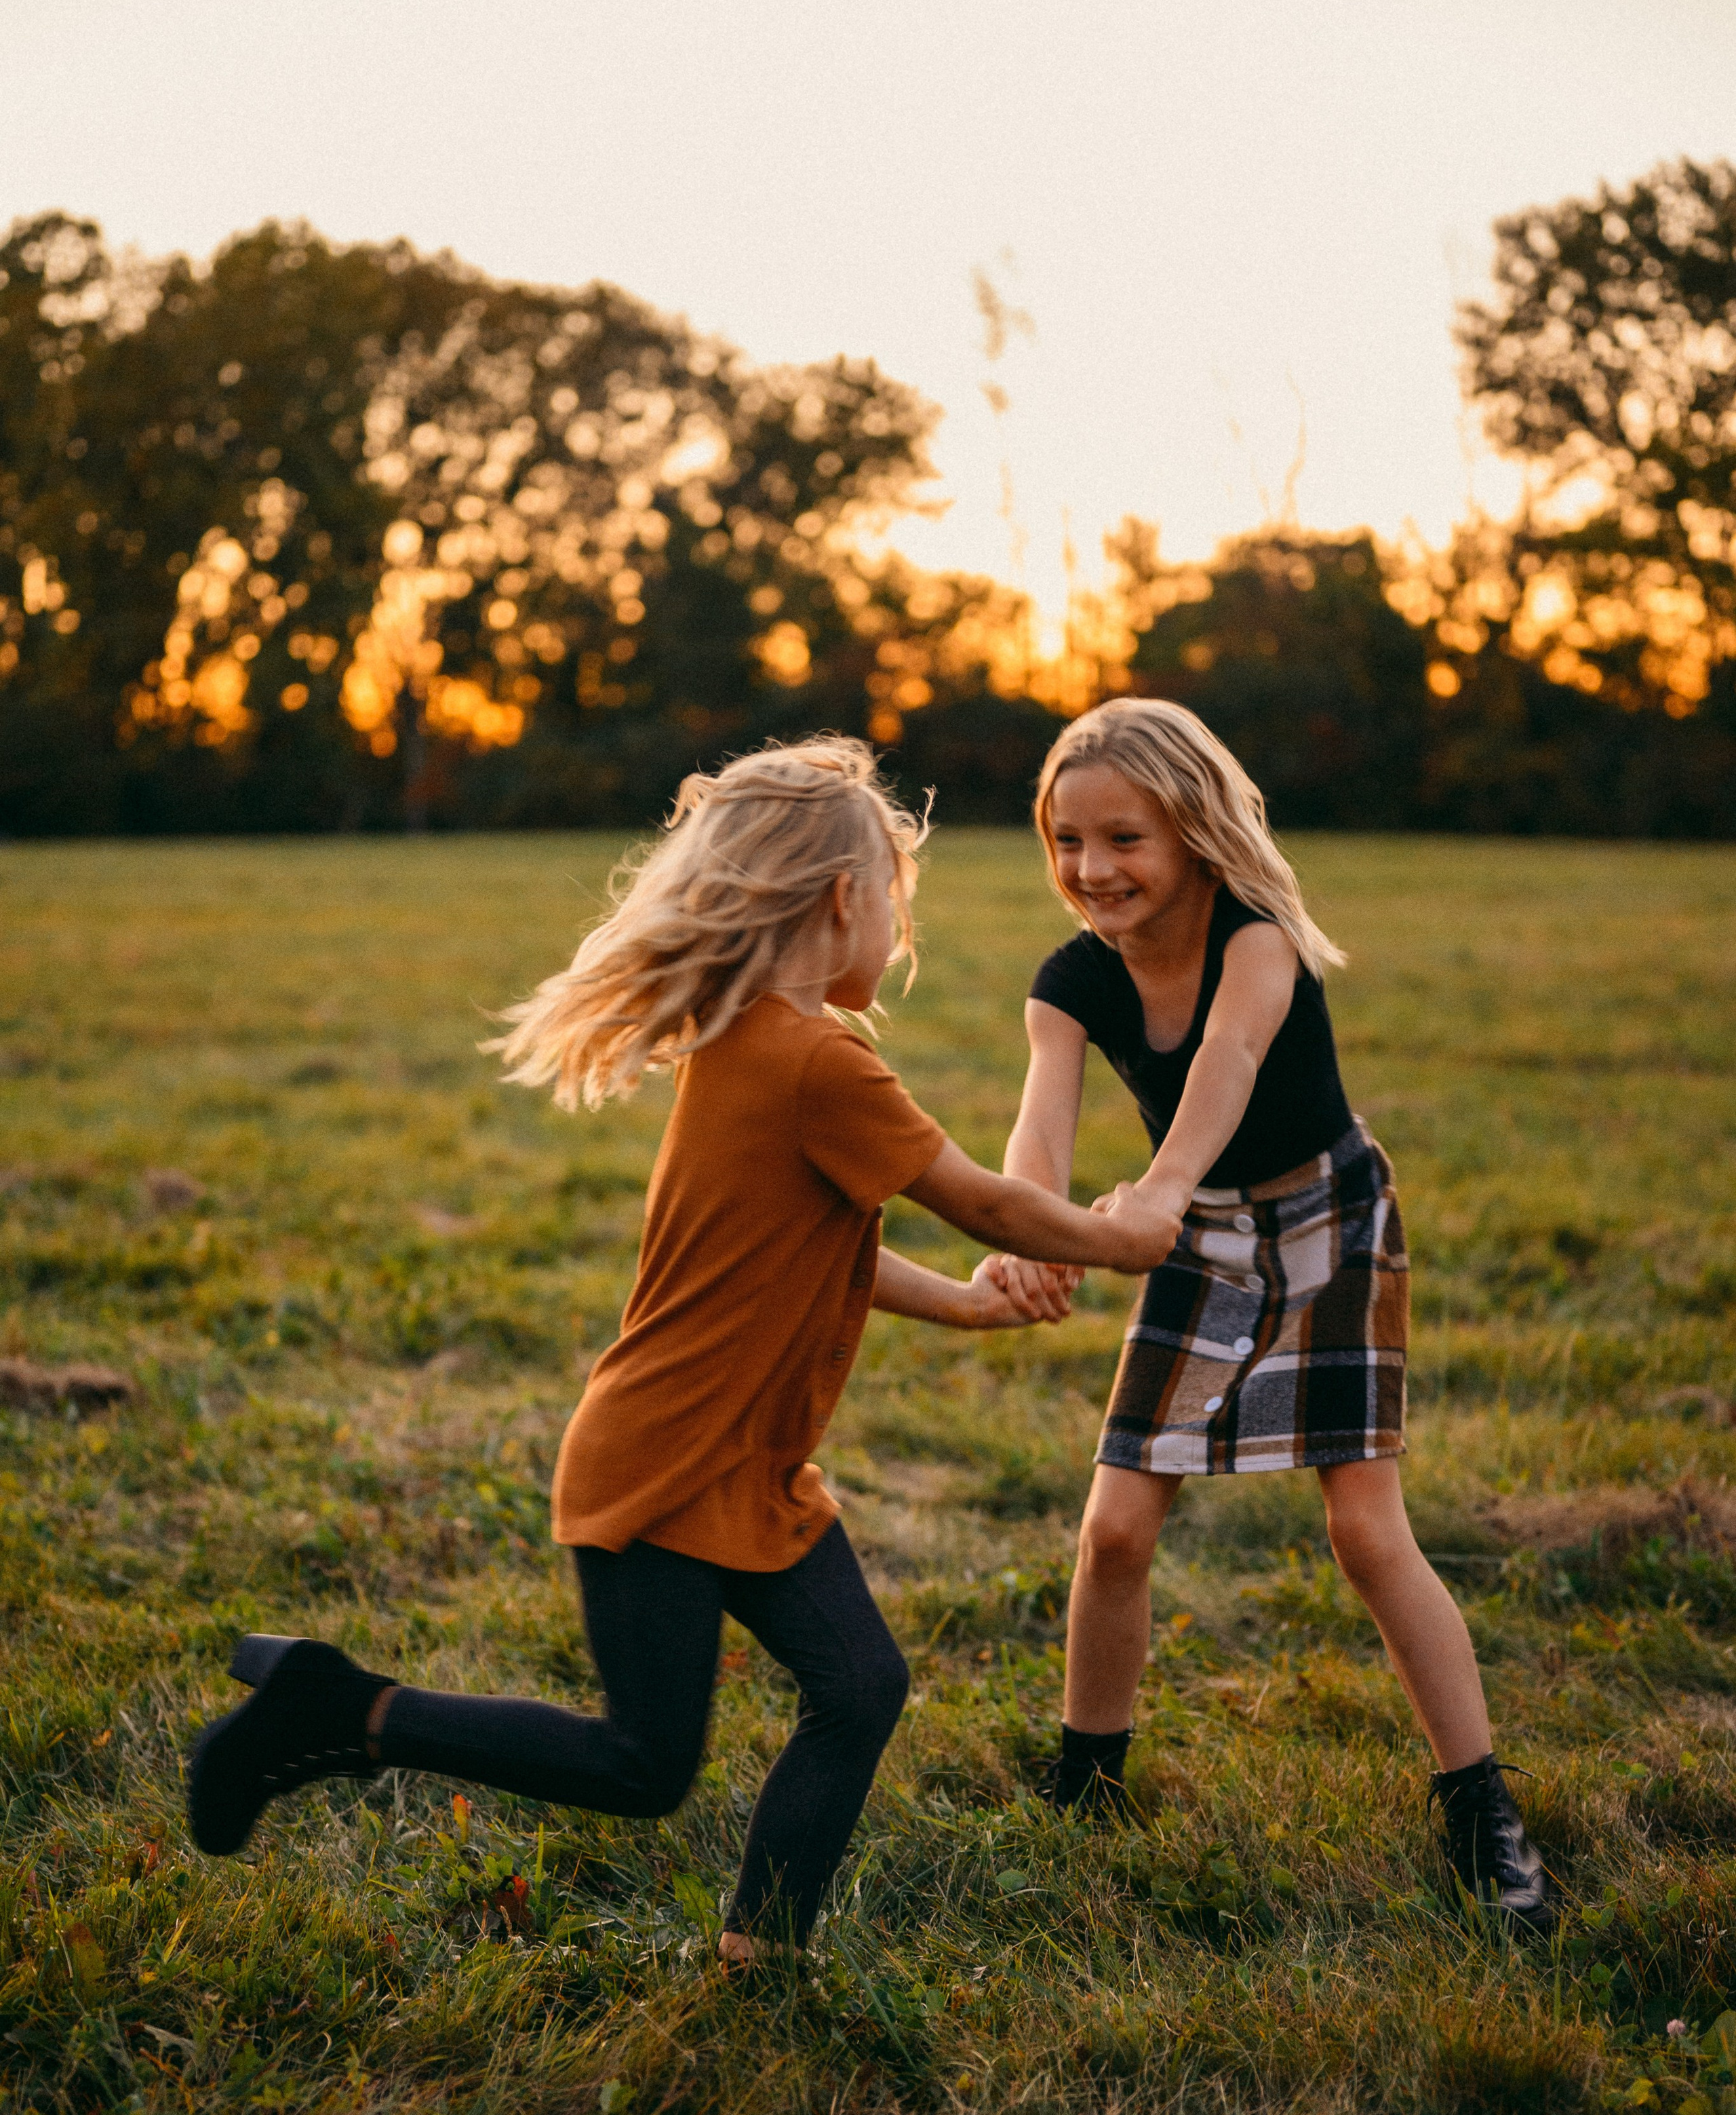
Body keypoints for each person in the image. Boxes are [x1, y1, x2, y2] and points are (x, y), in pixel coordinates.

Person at [188, 737, 1179, 1964]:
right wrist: (1120, 1237)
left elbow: (823, 1256)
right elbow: (982, 1201)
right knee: (644, 1765)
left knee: (861, 1688)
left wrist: (975, 1310)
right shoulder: (816, 1062)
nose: (899, 930)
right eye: (895, 900)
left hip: (743, 1468)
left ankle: (762, 1955)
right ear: (839, 901)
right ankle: (340, 1710)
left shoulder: (766, 1044)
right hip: (665, 1468)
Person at [985, 699, 1554, 1933]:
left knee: (1364, 1531)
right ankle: (1087, 1788)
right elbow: (1041, 1121)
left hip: (1324, 1222)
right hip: (1192, 1236)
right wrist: (1032, 1235)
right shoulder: (1070, 981)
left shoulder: (1260, 939)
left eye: (1124, 838)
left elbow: (1228, 1066)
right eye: (1067, 842)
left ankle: (1480, 1810)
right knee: (1116, 1531)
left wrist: (1156, 1198)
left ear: (1191, 830)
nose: (1094, 871)